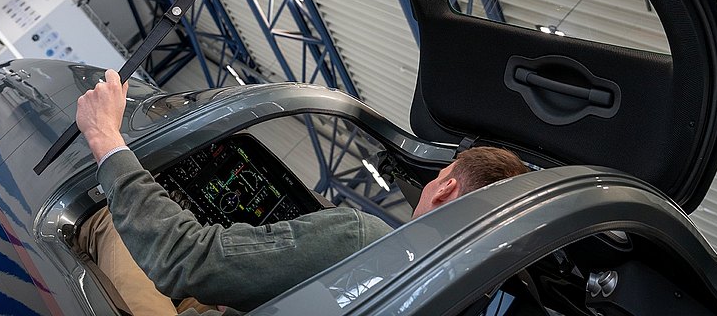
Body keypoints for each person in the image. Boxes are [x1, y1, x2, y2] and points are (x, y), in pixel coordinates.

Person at [75, 70, 528, 316]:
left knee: (103, 221)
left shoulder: (367, 242)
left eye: (439, 174)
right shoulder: (452, 301)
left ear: (446, 188)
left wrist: (104, 137)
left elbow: (183, 259)